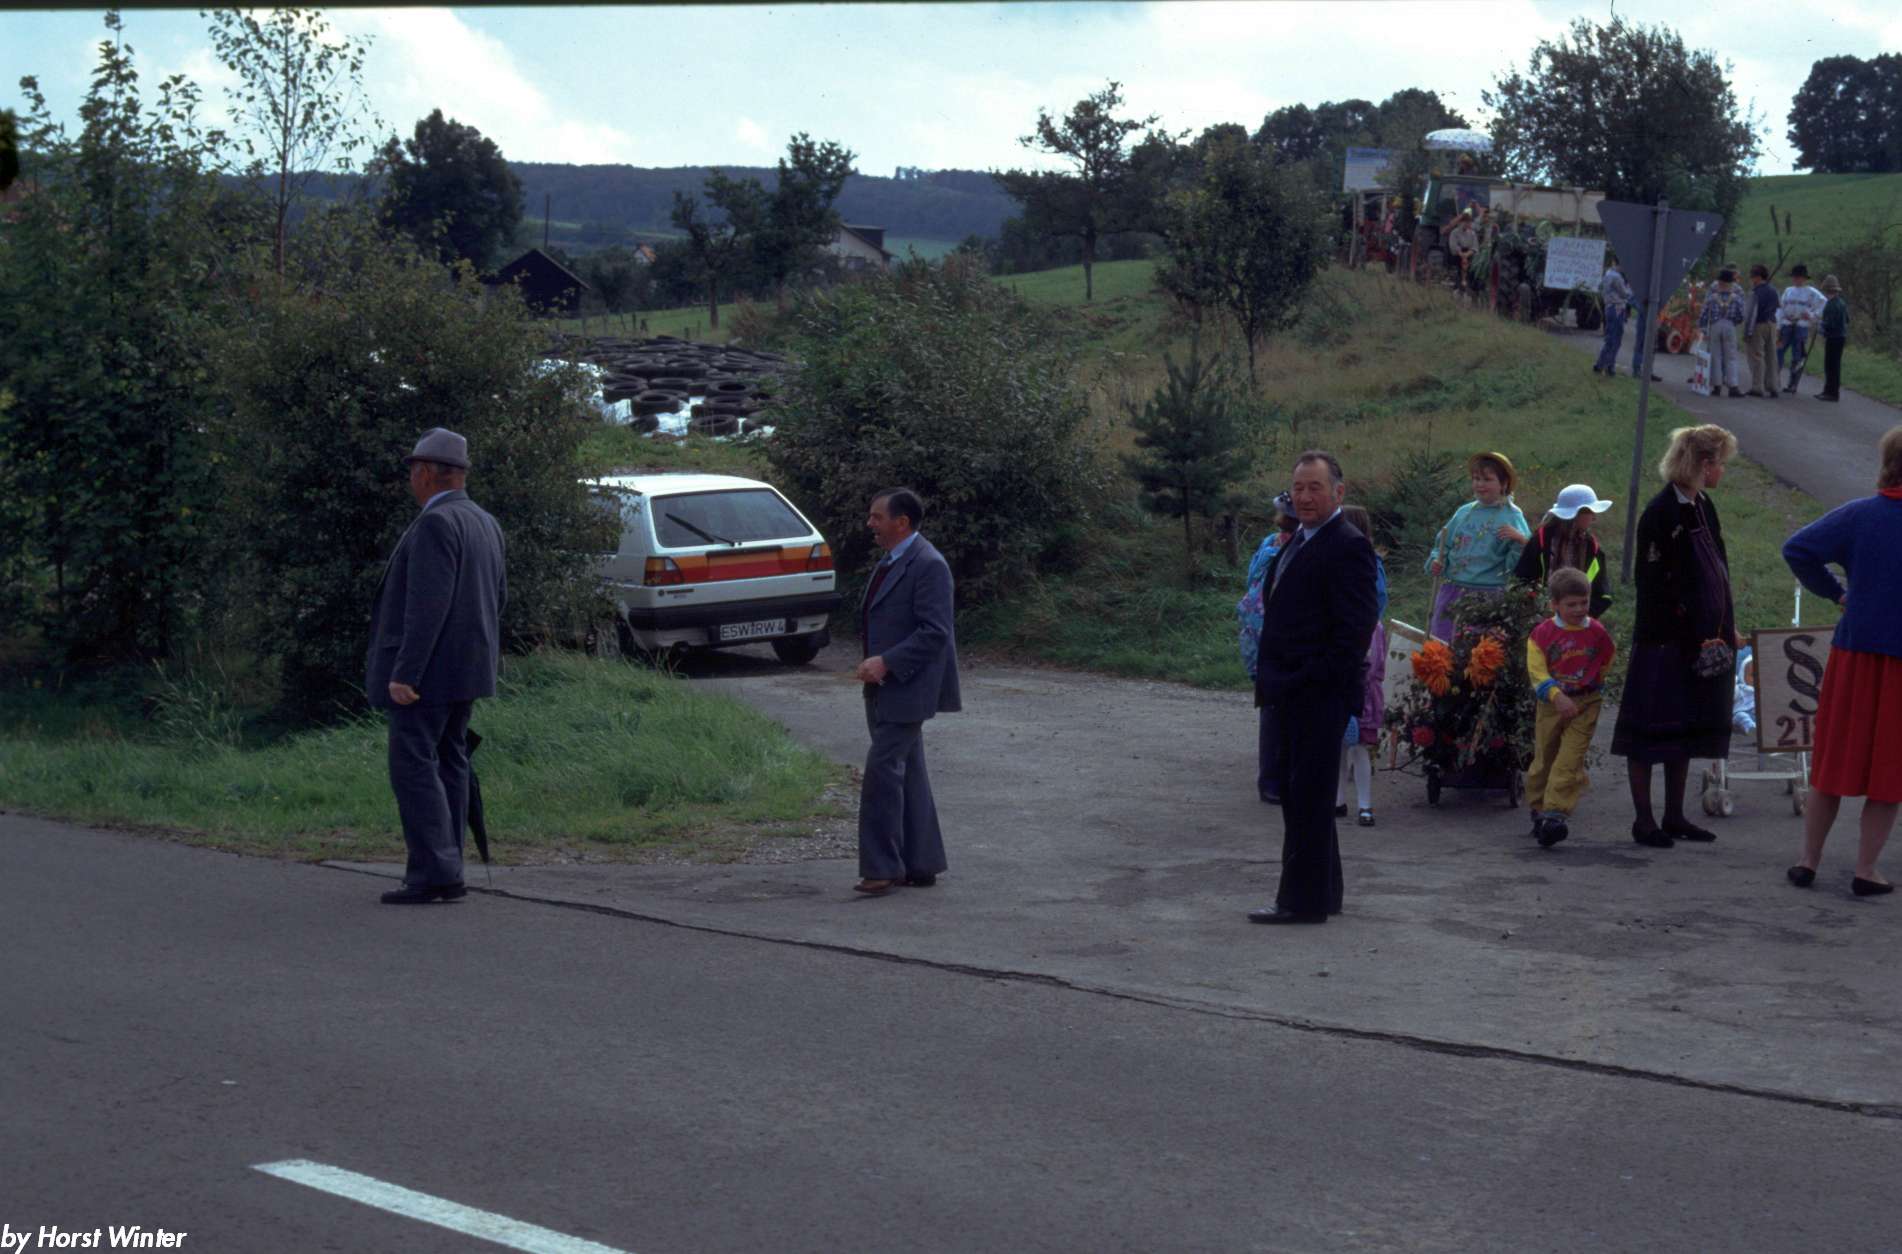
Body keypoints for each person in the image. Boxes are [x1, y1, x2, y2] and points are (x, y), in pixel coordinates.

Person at [365, 427, 507, 905]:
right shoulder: (484, 521)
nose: (411, 480)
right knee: (450, 762)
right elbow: (498, 598)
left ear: (425, 473)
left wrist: (406, 672)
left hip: (428, 673)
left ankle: (433, 872)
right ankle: (448, 866)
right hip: (469, 668)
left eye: (413, 471)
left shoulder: (435, 524)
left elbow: (427, 607)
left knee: (414, 765)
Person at [1248, 450, 1380, 925]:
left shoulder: (1347, 545)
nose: (1304, 497)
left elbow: (1354, 631)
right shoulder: (1300, 540)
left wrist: (1310, 681)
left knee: (1306, 797)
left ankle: (1300, 902)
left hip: (1316, 694)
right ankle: (1325, 893)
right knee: (1306, 795)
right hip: (1289, 690)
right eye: (1298, 488)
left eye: (1315, 488)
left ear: (1338, 493)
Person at [1780, 426, 1902, 897]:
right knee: (1889, 772)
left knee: (1832, 762)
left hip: (1853, 655)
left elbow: (1798, 549)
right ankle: (1865, 870)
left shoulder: (1859, 515)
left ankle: (1807, 861)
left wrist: (1837, 593)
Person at [1610, 424, 1740, 848]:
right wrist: (1689, 629)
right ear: (1704, 463)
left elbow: (1716, 568)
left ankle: (1674, 816)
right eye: (1720, 463)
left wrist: (1724, 626)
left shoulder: (1703, 505)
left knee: (1682, 730)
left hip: (1701, 640)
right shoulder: (1660, 512)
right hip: (1664, 642)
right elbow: (1654, 586)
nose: (1722, 471)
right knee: (1648, 732)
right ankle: (1644, 820)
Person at [853, 488, 960, 895]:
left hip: (908, 688)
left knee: (882, 773)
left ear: (902, 522)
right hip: (884, 688)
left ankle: (882, 868)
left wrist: (887, 662)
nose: (870, 524)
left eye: (877, 517)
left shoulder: (929, 564)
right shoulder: (892, 560)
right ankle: (921, 862)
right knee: (908, 771)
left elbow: (936, 632)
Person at [1524, 567, 1617, 848]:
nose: (1579, 609)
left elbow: (1606, 658)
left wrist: (1594, 685)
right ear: (1555, 605)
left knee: (1569, 759)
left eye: (1584, 603)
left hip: (1585, 703)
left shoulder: (1597, 632)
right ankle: (1538, 807)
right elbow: (1537, 671)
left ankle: (1555, 814)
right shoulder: (1542, 634)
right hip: (1552, 704)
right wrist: (1555, 695)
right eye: (1571, 604)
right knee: (1545, 758)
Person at [1425, 451, 1530, 642]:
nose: (1480, 484)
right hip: (1452, 592)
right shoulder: (1464, 512)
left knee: (1478, 650)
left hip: (1487, 598)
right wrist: (1436, 561)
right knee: (1441, 646)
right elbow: (1443, 544)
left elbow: (1518, 565)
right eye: (1476, 479)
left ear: (1504, 483)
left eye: (1487, 479)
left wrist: (1520, 542)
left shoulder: (1512, 516)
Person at [1239, 494, 1300, 805]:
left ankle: (1273, 779)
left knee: (1272, 708)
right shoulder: (1295, 549)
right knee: (1280, 711)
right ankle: (1274, 780)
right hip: (1278, 638)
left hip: (1256, 637)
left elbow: (1250, 580)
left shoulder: (1269, 544)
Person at [1335, 503, 1388, 829]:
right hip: (1343, 685)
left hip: (1361, 691)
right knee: (1340, 748)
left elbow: (1374, 665)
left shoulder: (1372, 627)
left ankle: (1365, 805)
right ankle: (1339, 800)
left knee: (1359, 749)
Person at [1513, 483, 1614, 621]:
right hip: (1540, 619)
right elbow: (1522, 579)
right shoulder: (1541, 541)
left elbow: (1603, 593)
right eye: (1590, 512)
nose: (1594, 517)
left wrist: (1582, 613)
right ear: (1576, 515)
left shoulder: (1592, 548)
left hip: (1578, 620)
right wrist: (1536, 608)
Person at [1699, 268, 1747, 399]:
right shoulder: (1737, 298)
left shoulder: (1712, 298)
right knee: (1731, 356)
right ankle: (1733, 386)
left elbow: (1703, 314)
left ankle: (1717, 386)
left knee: (1716, 356)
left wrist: (1704, 328)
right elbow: (1742, 315)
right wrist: (1734, 322)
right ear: (1732, 283)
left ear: (1719, 283)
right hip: (1729, 325)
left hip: (1715, 325)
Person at [1778, 264, 1826, 393]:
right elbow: (1781, 307)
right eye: (1794, 277)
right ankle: (1774, 379)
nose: (1796, 279)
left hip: (1801, 326)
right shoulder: (1788, 291)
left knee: (1797, 356)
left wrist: (1812, 315)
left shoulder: (1812, 292)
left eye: (1799, 277)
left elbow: (1824, 303)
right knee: (1778, 352)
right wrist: (1779, 324)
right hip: (1787, 324)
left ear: (1804, 278)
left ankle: (1792, 384)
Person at [1742, 264, 1780, 398]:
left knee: (1757, 356)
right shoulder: (1773, 290)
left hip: (1758, 324)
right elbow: (1777, 306)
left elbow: (1749, 313)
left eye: (1752, 276)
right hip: (1772, 323)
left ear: (1757, 277)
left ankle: (1757, 387)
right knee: (1771, 356)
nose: (1751, 279)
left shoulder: (1755, 292)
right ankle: (1773, 386)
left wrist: (1747, 332)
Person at [1817, 274, 1848, 403]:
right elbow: (1847, 319)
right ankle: (1828, 391)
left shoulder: (1831, 305)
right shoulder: (1841, 303)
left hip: (1834, 337)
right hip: (1840, 336)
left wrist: (1820, 326)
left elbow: (1830, 324)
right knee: (1833, 365)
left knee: (1831, 366)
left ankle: (1832, 393)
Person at [1446, 209, 1478, 291]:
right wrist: (1462, 255)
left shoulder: (1472, 234)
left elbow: (1475, 247)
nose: (1467, 224)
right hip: (1456, 255)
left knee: (1474, 264)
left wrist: (1467, 255)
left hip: (1469, 254)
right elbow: (1453, 246)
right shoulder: (1454, 232)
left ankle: (1471, 284)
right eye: (1465, 222)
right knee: (1459, 263)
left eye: (1469, 222)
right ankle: (1457, 281)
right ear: (1461, 222)